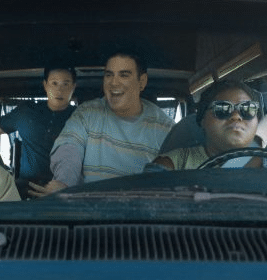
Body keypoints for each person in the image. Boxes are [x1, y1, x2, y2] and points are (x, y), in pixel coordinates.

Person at [29, 52, 174, 196]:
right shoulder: (87, 112)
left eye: (124, 75)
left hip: (139, 214)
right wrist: (65, 183)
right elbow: (69, 147)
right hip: (89, 210)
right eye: (109, 75)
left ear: (141, 82)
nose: (114, 83)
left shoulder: (164, 127)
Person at [0, 66, 77, 198]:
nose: (59, 89)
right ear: (45, 85)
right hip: (27, 190)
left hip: (66, 192)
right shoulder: (26, 112)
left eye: (66, 83)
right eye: (54, 83)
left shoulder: (81, 118)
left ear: (73, 87)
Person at [152, 79, 264, 170]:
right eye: (222, 109)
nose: (236, 116)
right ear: (203, 119)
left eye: (247, 109)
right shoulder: (171, 165)